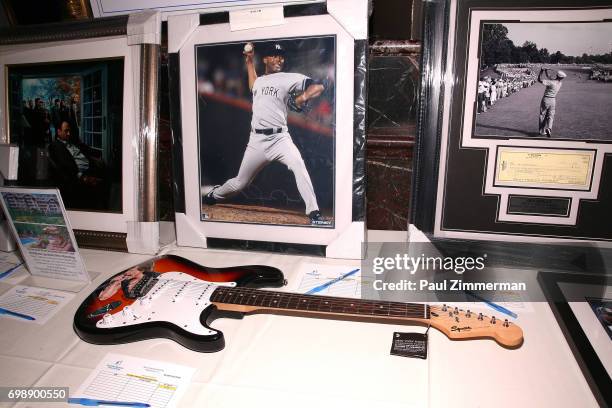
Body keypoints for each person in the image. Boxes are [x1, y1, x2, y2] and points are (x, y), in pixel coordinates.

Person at [203, 42, 326, 224]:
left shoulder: (288, 78)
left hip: (280, 139)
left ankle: (314, 212)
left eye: (281, 56)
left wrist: (302, 97)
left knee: (299, 166)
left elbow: (319, 86)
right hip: (257, 141)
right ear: (266, 59)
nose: (279, 59)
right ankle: (214, 194)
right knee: (239, 183)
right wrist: (249, 61)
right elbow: (253, 85)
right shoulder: (260, 81)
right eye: (274, 55)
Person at [48, 121, 107, 209]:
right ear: (59, 131)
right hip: (79, 175)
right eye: (66, 131)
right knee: (105, 183)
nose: (69, 133)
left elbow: (86, 149)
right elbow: (65, 166)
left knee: (112, 174)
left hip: (91, 167)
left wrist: (97, 157)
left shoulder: (73, 141)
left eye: (69, 131)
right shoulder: (56, 146)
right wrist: (83, 177)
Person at [538, 68, 566, 137]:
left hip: (546, 99)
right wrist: (546, 71)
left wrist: (541, 71)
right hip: (553, 100)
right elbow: (550, 77)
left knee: (542, 115)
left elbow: (539, 79)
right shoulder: (560, 83)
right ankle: (549, 128)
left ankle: (542, 131)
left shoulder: (551, 82)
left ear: (557, 75)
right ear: (562, 78)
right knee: (551, 116)